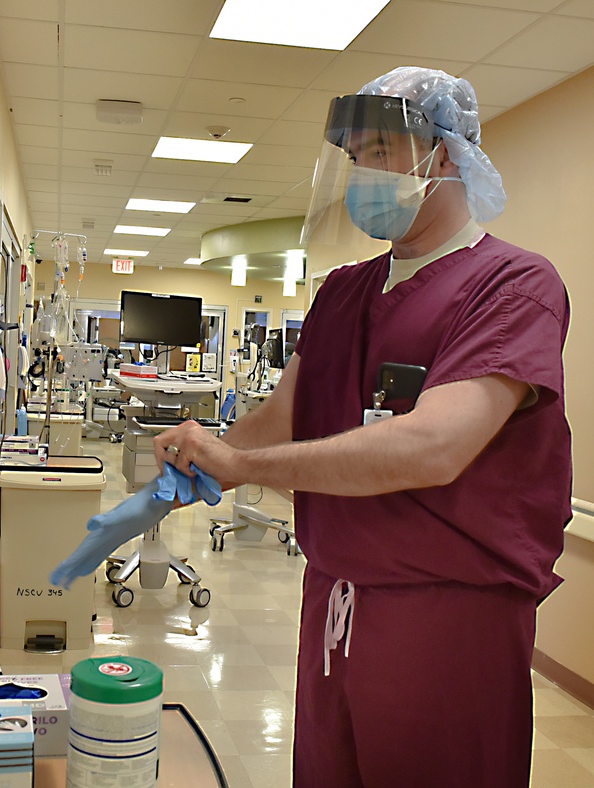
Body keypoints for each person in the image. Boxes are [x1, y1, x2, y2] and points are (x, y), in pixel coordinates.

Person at [152, 67, 572, 787]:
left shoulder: (514, 286)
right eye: (355, 156)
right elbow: (285, 417)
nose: (364, 172)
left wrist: (244, 468)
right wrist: (198, 457)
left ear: (443, 154)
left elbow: (434, 446)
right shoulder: (344, 290)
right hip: (333, 602)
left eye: (381, 148)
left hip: (447, 618)